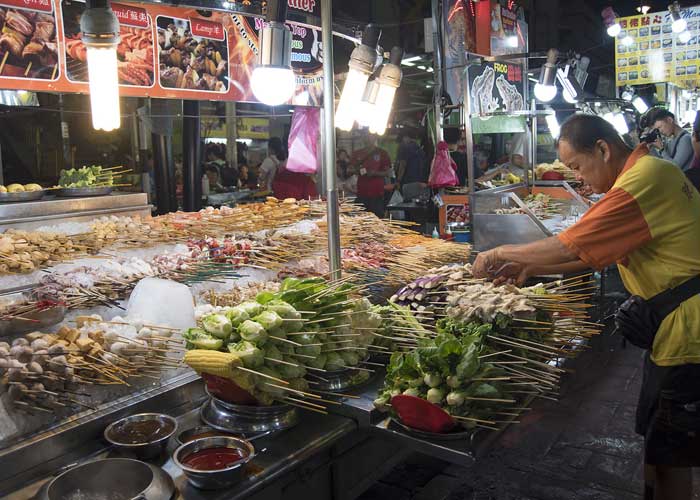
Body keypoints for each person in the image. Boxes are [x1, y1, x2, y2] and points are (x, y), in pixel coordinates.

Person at [472, 114, 700, 500]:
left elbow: (568, 244)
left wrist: (498, 252)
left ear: (603, 149)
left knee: (672, 455)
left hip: (689, 334)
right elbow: (593, 254)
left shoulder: (639, 183)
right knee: (658, 440)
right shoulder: (651, 170)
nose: (578, 177)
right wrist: (529, 264)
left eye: (578, 166)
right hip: (673, 329)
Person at [350, 136, 392, 218]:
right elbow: (350, 170)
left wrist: (375, 173)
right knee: (360, 219)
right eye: (366, 135)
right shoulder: (357, 153)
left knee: (377, 218)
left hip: (377, 192)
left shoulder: (382, 153)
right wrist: (361, 171)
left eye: (371, 136)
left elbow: (387, 172)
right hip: (362, 192)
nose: (368, 138)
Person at [646, 107, 694, 171]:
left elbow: (674, 167)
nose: (660, 131)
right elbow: (663, 163)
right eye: (657, 129)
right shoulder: (670, 140)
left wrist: (662, 149)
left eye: (660, 127)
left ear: (669, 120)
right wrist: (652, 148)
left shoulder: (685, 139)